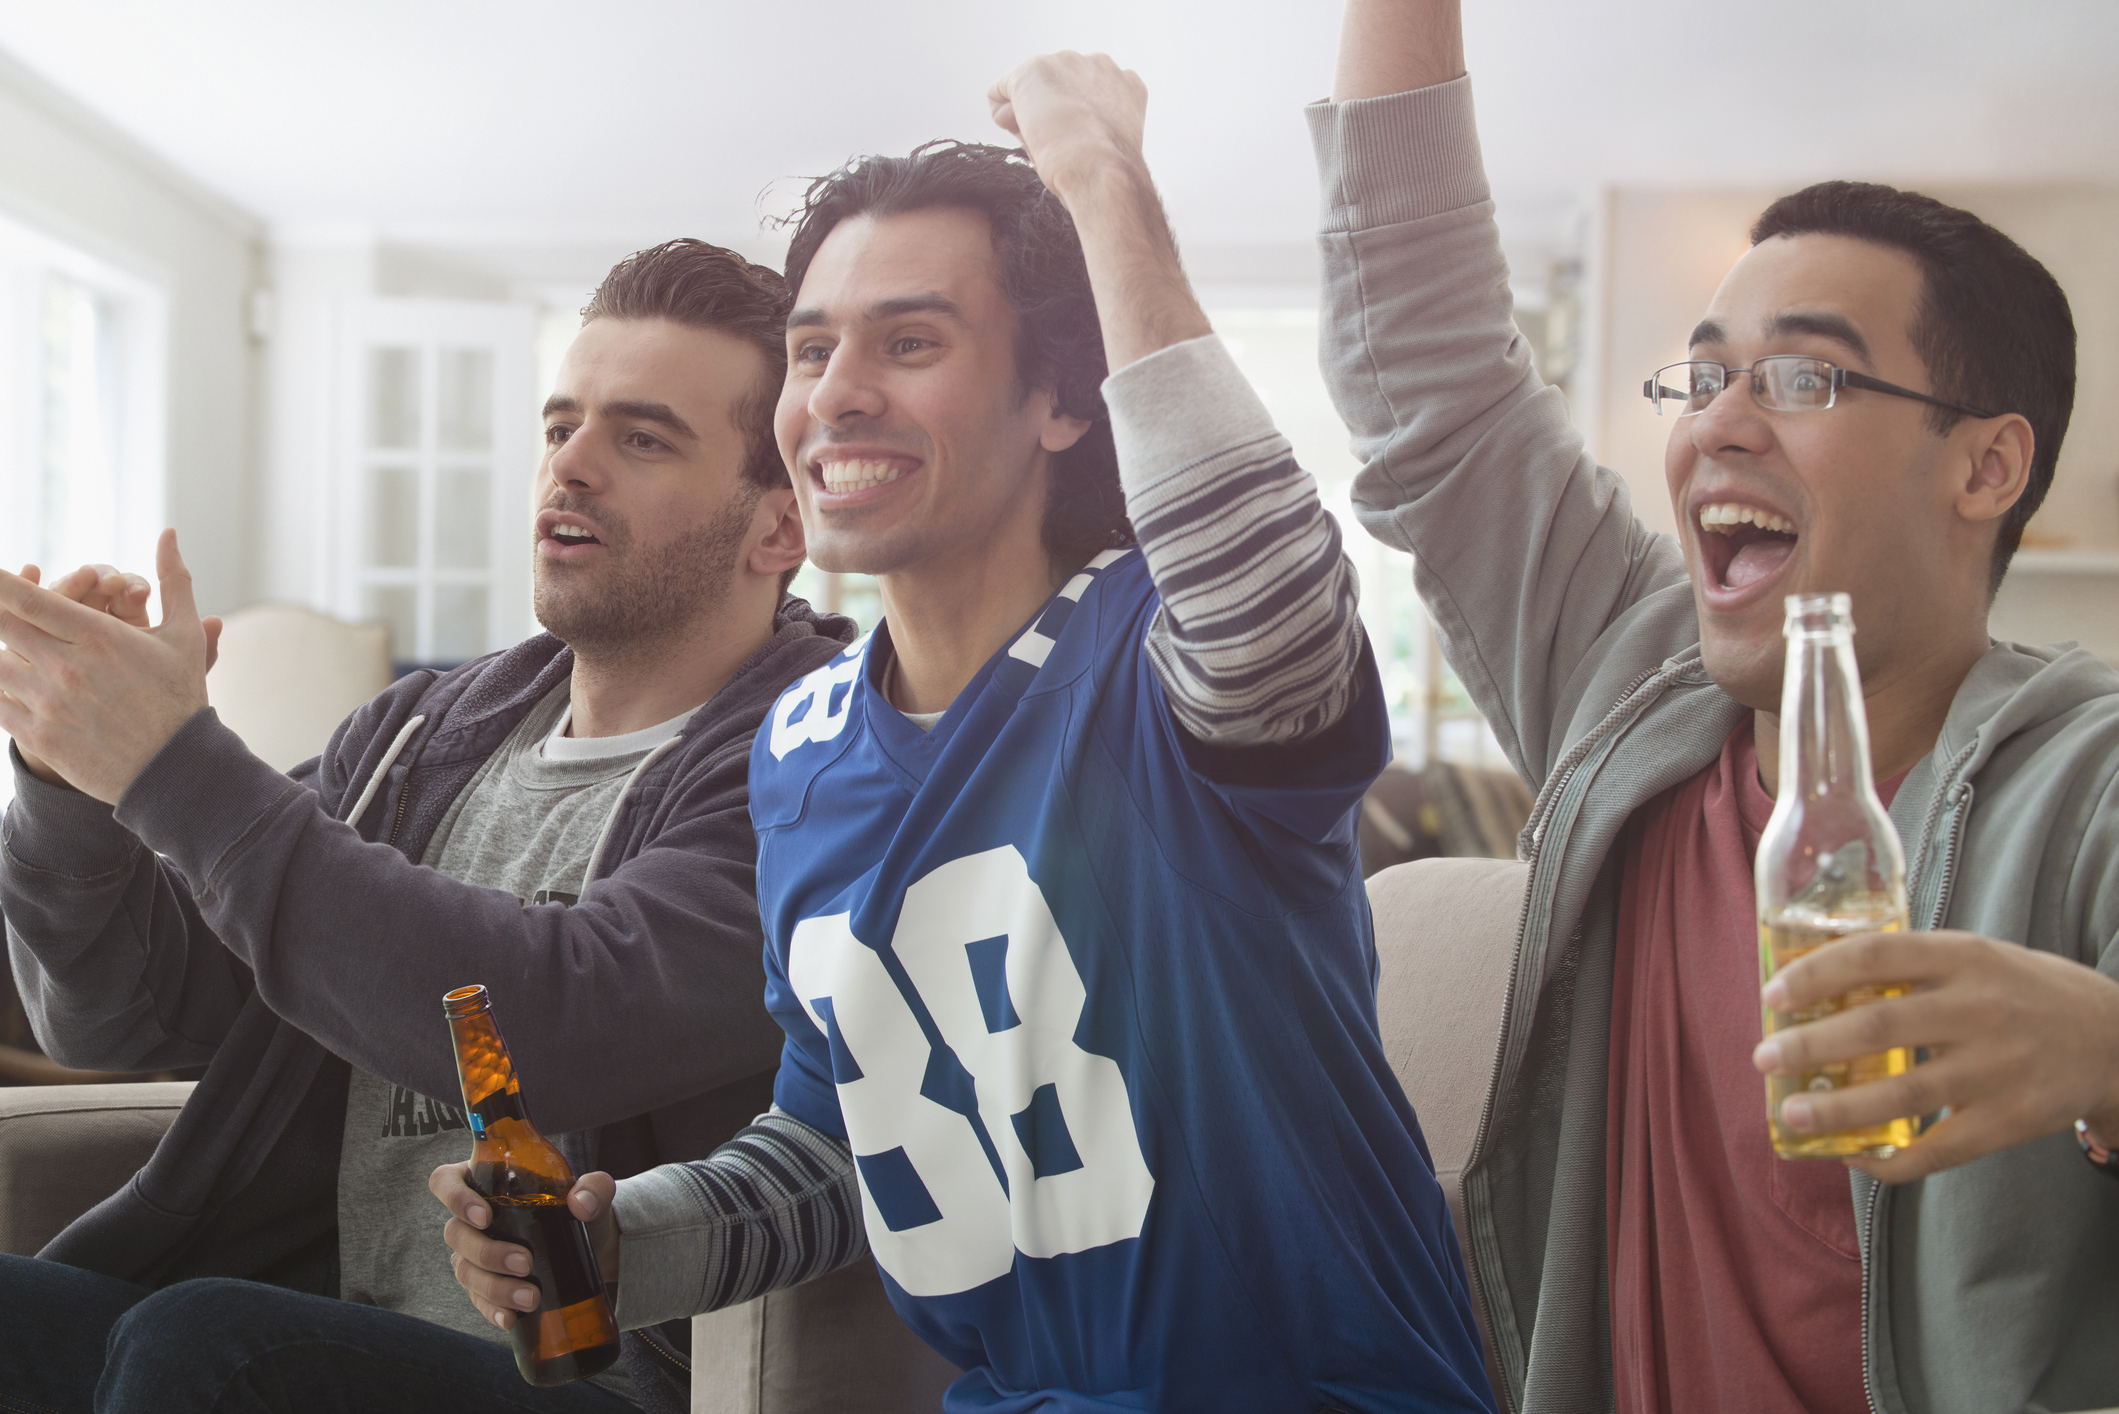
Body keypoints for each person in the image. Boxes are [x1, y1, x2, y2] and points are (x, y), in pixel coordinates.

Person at [440, 53, 1496, 1414]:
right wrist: (620, 1240)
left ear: (1061, 400)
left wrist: (1101, 183)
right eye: (812, 348)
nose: (835, 392)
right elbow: (840, 1134)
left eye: (910, 341)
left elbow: (1265, 593)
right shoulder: (799, 749)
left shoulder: (1155, 652)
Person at [1311, 3, 2119, 1411]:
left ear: (1984, 466)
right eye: (1703, 373)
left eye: (1802, 375)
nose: (1715, 422)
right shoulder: (1629, 676)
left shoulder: (2091, 777)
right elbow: (1427, 384)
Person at [0, 238, 853, 1414]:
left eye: (641, 436)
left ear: (779, 527)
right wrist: (68, 786)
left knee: (220, 1346)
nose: (572, 468)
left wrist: (171, 762)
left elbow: (554, 1015)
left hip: (597, 1382)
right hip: (328, 1333)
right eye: (561, 427)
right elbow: (117, 1016)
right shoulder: (418, 736)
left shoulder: (815, 763)